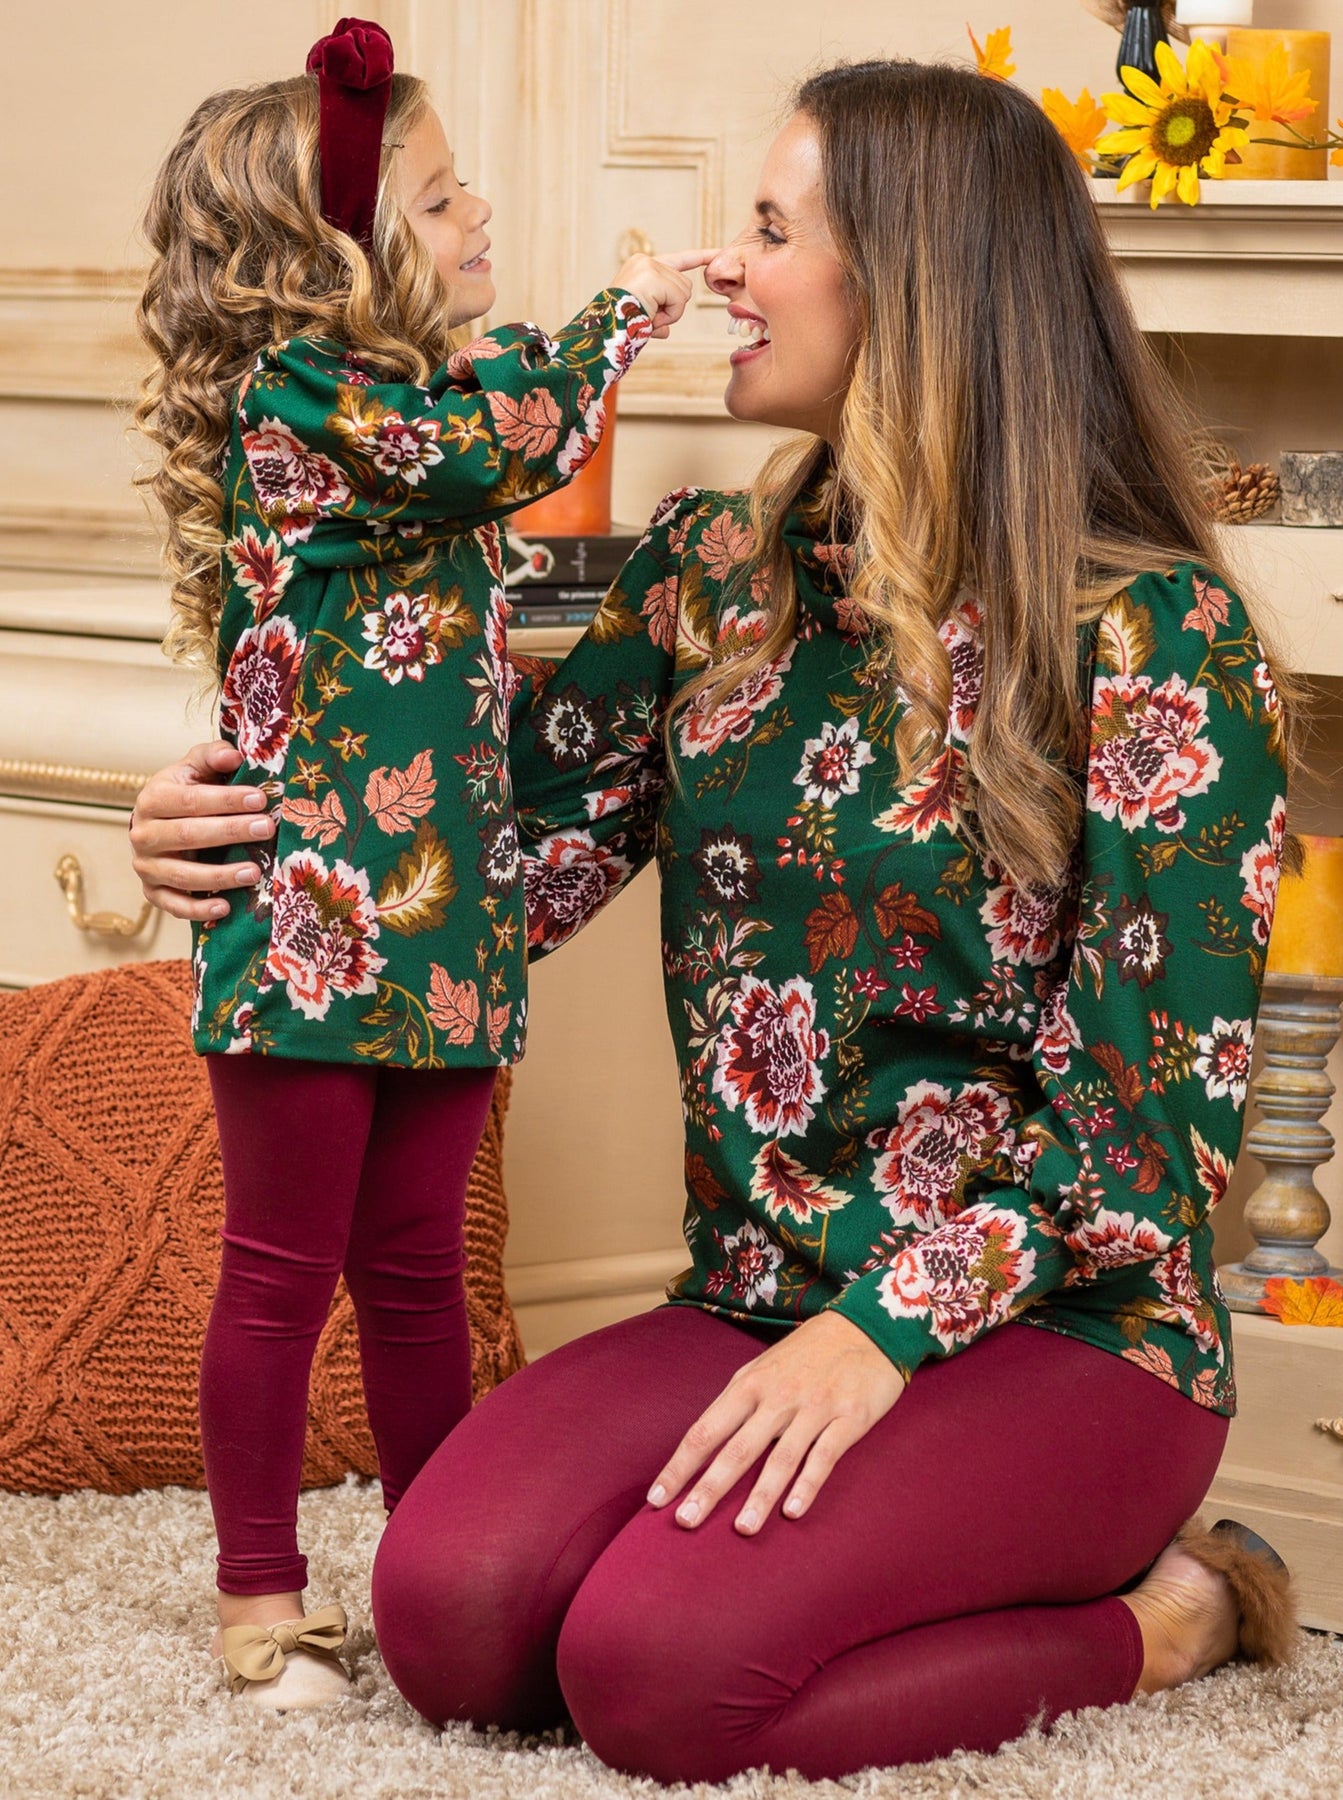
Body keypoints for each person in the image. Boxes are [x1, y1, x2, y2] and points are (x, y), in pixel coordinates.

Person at [131, 56, 1298, 1782]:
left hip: (1065, 1328)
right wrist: (235, 840)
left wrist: (878, 1336)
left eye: (771, 228)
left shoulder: (1160, 644)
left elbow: (1147, 1140)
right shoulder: (704, 581)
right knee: (446, 1624)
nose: (724, 264)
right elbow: (480, 885)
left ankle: (1173, 1614)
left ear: (915, 286)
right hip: (752, 1293)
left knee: (661, 1680)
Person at [133, 15, 708, 1710]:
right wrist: (629, 310)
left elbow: (475, 447)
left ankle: (445, 1575)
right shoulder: (309, 400)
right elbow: (493, 443)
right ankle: (258, 1601)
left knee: (417, 1272)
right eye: (444, 198)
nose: (478, 216)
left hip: (445, 918)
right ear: (341, 247)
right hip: (308, 919)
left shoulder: (408, 405)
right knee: (278, 1276)